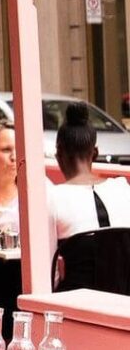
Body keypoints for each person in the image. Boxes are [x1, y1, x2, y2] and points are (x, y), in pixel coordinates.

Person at [49, 101, 130, 243]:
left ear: (58, 154)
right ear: (95, 153)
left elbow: (45, 257)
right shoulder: (123, 189)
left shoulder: (53, 198)